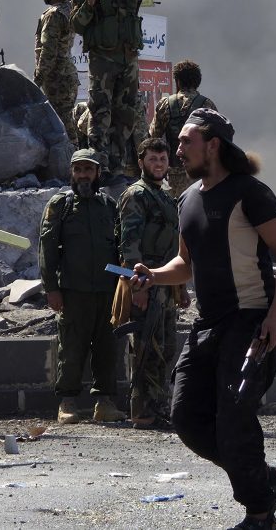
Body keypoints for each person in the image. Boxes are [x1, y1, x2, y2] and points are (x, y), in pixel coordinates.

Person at [130, 109, 276, 530]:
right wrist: (152, 276)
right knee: (186, 418)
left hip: (251, 321)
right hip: (207, 325)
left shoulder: (250, 193)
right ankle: (264, 480)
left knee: (234, 414)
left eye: (187, 141)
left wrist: (275, 319)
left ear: (213, 145)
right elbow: (186, 264)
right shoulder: (187, 199)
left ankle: (259, 513)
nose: (178, 149)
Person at [72, 0, 196, 181]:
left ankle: (116, 167)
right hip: (102, 60)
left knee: (125, 114)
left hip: (128, 60)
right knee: (100, 113)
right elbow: (77, 24)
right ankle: (99, 167)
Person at [39, 149, 126, 425]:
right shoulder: (60, 205)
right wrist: (51, 287)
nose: (83, 175)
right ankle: (67, 402)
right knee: (72, 348)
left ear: (98, 173)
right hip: (73, 292)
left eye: (88, 170)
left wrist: (124, 288)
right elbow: (47, 248)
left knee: (107, 347)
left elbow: (120, 247)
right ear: (72, 174)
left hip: (106, 291)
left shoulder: (109, 206)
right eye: (78, 170)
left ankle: (105, 402)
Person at [117, 138, 186, 429]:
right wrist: (138, 288)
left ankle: (159, 407)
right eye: (152, 159)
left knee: (166, 345)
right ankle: (144, 411)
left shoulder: (165, 194)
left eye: (162, 158)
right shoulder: (137, 195)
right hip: (145, 281)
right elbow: (129, 246)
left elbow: (175, 246)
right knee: (147, 347)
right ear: (142, 161)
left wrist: (179, 286)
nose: (158, 164)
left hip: (165, 282)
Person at [149, 59, 217, 196]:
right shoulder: (207, 105)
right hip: (200, 174)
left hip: (172, 176)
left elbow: (153, 138)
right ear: (197, 82)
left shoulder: (166, 104)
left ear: (178, 81)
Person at [34, 0, 79, 143]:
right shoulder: (70, 7)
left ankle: (75, 158)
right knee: (66, 119)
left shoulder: (53, 15)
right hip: (67, 75)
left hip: (56, 78)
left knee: (62, 122)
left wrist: (37, 79)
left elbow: (48, 52)